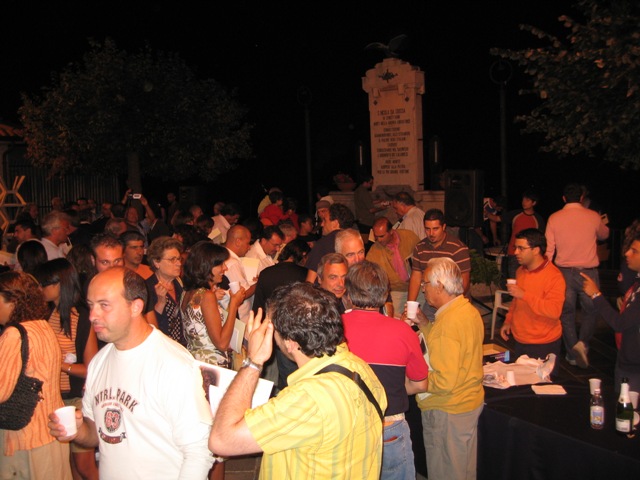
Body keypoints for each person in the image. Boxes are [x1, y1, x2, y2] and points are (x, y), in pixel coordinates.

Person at [48, 267, 214, 479]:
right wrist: (78, 430)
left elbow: (199, 451)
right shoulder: (99, 362)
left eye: (104, 305)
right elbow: (98, 432)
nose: (92, 316)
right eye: (91, 305)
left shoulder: (172, 364)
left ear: (136, 307)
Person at [209, 282, 387, 479]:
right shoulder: (360, 368)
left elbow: (221, 440)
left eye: (271, 328)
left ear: (291, 343)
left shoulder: (307, 399)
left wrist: (253, 361)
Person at [343, 261, 428, 480]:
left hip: (345, 425)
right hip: (388, 426)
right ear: (384, 294)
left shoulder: (333, 327)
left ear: (348, 293)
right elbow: (420, 384)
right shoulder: (403, 331)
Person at [404, 257, 484, 480]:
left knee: (446, 472)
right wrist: (424, 324)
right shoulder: (466, 311)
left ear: (439, 285)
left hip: (448, 410)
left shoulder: (449, 324)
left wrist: (414, 384)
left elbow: (444, 381)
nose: (423, 289)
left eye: (425, 283)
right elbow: (446, 349)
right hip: (468, 402)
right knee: (463, 470)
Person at [0, 272, 72, 480]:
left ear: (12, 301)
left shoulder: (14, 335)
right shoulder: (43, 327)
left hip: (24, 438)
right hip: (52, 431)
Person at [33, 259, 99, 479]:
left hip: (75, 399)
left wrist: (59, 364)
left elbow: (90, 368)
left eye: (44, 284)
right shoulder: (44, 315)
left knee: (84, 465)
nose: (40, 289)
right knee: (69, 465)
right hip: (52, 398)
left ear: (59, 284)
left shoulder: (81, 317)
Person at [545, 183, 610, 368]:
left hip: (563, 272)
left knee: (566, 312)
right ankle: (583, 343)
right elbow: (604, 234)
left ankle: (572, 354)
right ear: (581, 197)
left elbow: (549, 250)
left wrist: (547, 272)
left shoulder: (554, 217)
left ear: (564, 198)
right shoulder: (593, 216)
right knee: (592, 310)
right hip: (588, 273)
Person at [582, 231, 640, 392]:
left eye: (634, 251)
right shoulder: (636, 282)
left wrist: (596, 295)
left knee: (626, 406)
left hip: (634, 368)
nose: (627, 253)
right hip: (626, 360)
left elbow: (619, 323)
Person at [499, 229, 565, 363]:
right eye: (515, 247)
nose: (515, 252)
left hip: (543, 343)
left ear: (536, 250)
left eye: (521, 248)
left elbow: (554, 311)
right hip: (520, 339)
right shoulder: (520, 271)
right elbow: (516, 300)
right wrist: (508, 321)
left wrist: (524, 295)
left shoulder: (554, 276)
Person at [252, 239, 310, 390]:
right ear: (303, 255)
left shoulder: (266, 273)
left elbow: (258, 307)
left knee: (284, 377)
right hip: (297, 333)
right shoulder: (305, 274)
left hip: (273, 330)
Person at [181, 241, 246, 369]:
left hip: (196, 361)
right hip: (212, 365)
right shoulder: (206, 296)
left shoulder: (187, 292)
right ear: (207, 266)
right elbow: (221, 343)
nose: (225, 268)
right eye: (221, 264)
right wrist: (234, 304)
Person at [407, 209, 471, 320]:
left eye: (435, 229)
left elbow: (464, 282)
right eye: (427, 229)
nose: (431, 233)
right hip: (431, 303)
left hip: (454, 303)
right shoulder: (420, 247)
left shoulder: (458, 248)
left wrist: (449, 305)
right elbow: (415, 278)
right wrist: (410, 306)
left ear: (444, 227)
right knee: (424, 327)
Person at [367, 217, 420, 315]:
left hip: (418, 287)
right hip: (396, 292)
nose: (378, 240)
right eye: (376, 236)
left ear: (391, 231)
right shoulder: (373, 253)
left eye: (382, 236)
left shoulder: (409, 237)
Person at [494, 190, 545, 279]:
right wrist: (485, 212)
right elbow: (497, 219)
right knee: (513, 279)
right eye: (523, 200)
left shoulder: (538, 219)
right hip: (514, 253)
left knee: (528, 280)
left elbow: (541, 240)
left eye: (527, 200)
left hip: (530, 255)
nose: (524, 202)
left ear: (534, 203)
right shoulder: (516, 214)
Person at [145, 236, 186, 346]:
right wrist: (160, 303)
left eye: (179, 259)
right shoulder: (147, 288)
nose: (179, 263)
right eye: (172, 259)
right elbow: (151, 329)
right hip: (163, 347)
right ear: (156, 262)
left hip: (181, 347)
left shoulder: (179, 284)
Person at [305, 203, 355, 283]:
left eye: (325, 220)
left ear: (335, 223)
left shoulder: (322, 244)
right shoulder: (355, 242)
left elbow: (310, 281)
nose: (322, 224)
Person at [223, 225, 256, 321]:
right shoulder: (232, 262)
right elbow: (242, 294)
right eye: (248, 243)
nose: (249, 247)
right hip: (240, 317)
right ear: (238, 242)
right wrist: (258, 283)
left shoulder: (223, 255)